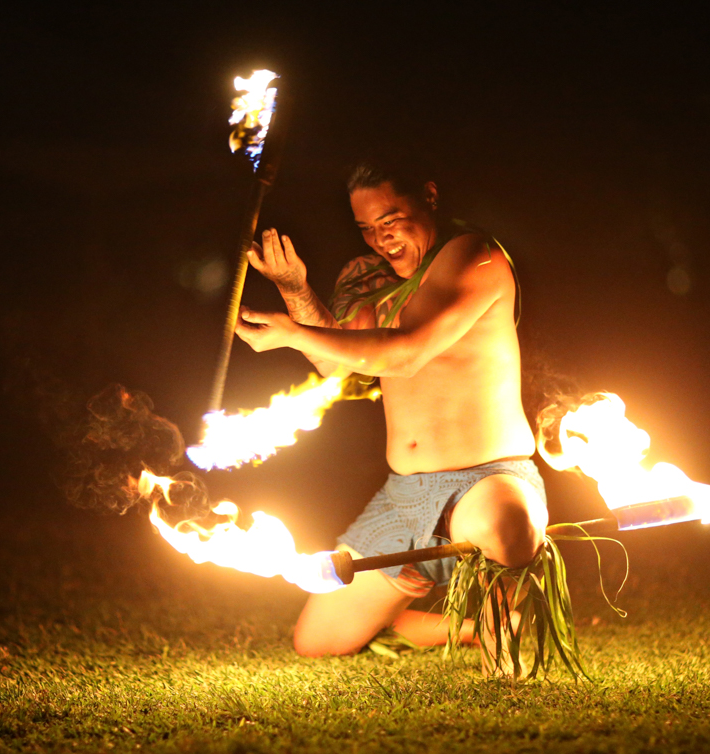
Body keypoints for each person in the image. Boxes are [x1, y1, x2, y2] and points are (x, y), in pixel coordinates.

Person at [234, 155, 548, 660]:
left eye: (390, 220)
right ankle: (468, 626)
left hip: (488, 480)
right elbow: (337, 361)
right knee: (317, 643)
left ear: (428, 196)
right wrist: (293, 289)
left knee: (506, 532)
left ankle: (502, 616)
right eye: (365, 228)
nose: (381, 238)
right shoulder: (371, 277)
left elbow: (405, 353)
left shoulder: (474, 256)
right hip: (403, 497)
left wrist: (292, 333)